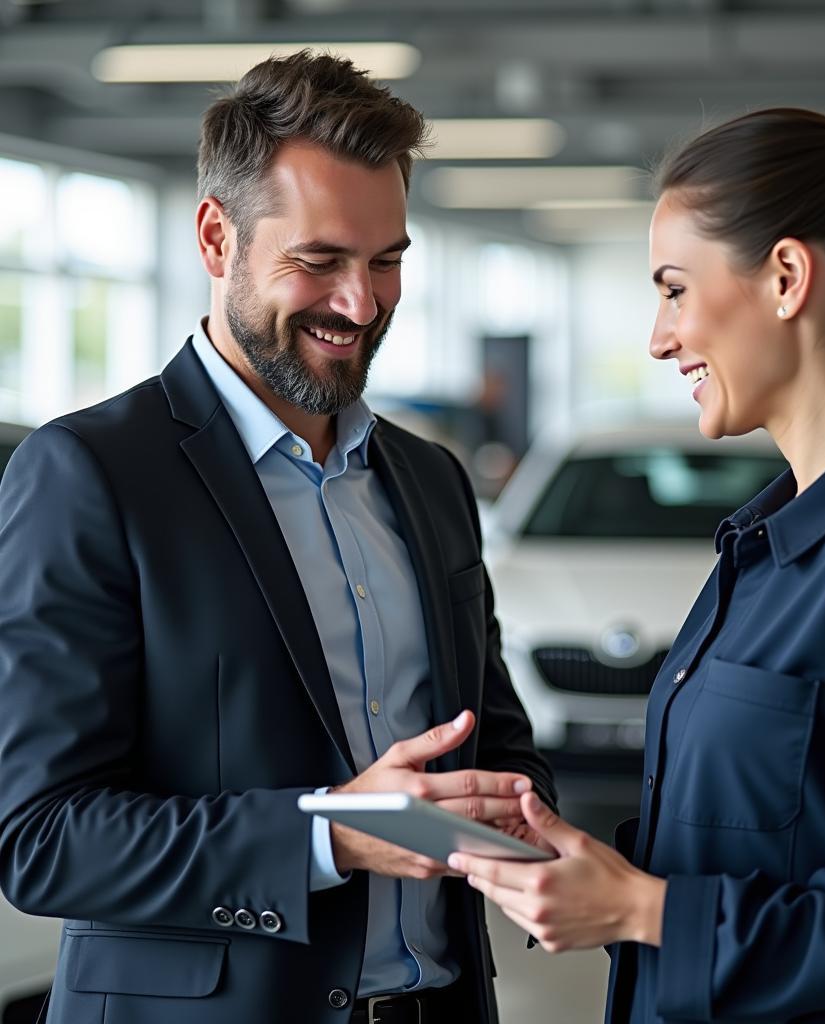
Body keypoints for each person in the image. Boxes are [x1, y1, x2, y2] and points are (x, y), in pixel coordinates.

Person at [0, 51, 555, 1024]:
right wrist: (330, 835)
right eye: (320, 261)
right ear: (217, 237)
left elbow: (495, 740)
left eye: (386, 261)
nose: (362, 303)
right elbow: (43, 837)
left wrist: (523, 825)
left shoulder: (429, 481)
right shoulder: (90, 474)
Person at [450, 108, 825, 1022]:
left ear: (788, 277)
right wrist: (587, 871)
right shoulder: (762, 547)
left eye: (674, 290)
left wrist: (645, 908)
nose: (658, 336)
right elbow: (760, 849)